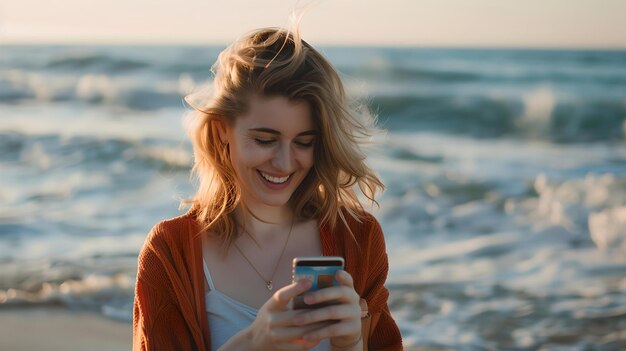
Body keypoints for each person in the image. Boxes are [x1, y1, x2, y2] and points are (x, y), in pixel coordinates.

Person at [132, 26, 403, 351]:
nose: (285, 162)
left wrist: (352, 344)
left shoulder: (358, 238)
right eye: (265, 140)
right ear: (222, 131)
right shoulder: (170, 253)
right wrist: (252, 343)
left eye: (304, 142)